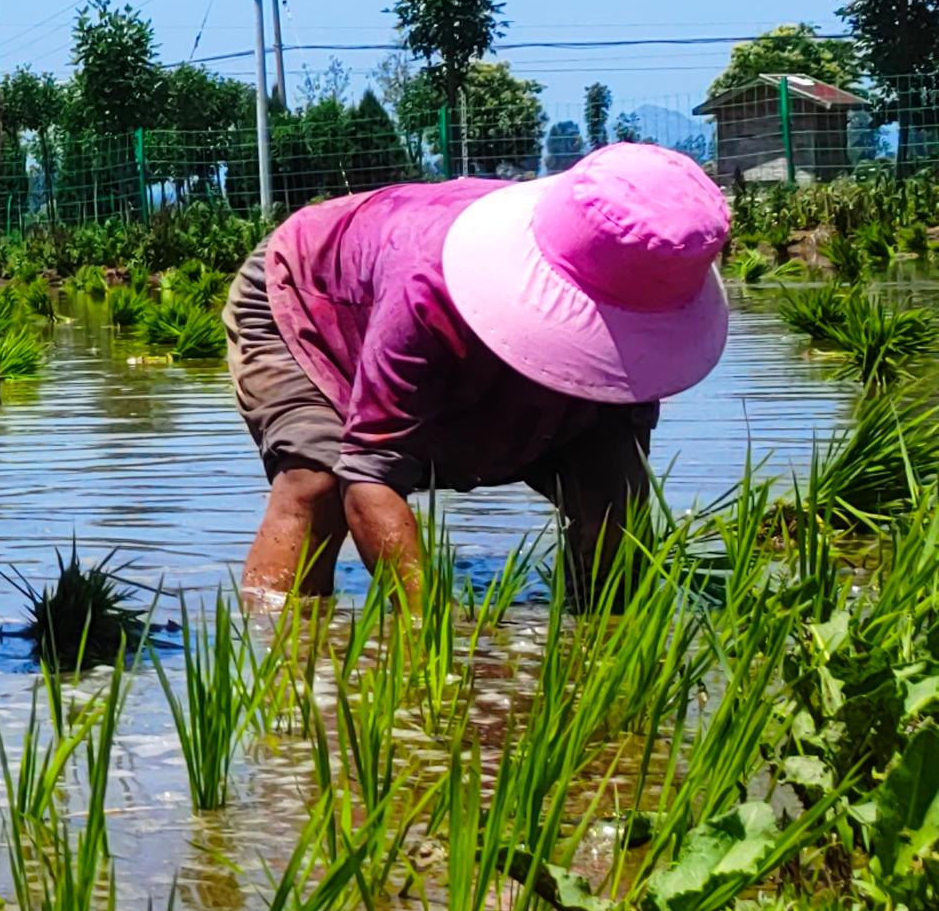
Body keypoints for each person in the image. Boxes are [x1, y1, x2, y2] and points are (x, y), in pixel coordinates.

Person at [231, 144, 727, 602]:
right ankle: (283, 655)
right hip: (312, 296)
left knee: (612, 493)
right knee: (316, 479)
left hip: (424, 292)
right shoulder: (427, 283)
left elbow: (619, 474)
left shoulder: (649, 266)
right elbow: (369, 472)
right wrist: (433, 645)